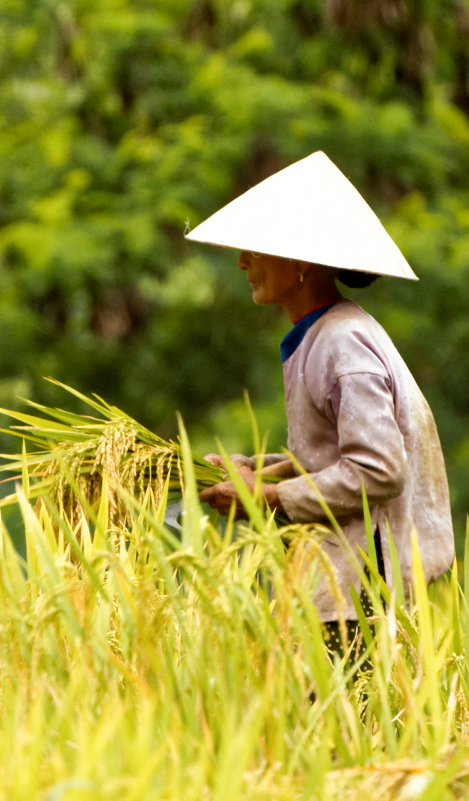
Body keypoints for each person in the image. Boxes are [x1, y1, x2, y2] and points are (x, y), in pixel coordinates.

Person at [185, 151, 454, 643]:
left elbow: (378, 469)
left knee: (349, 719)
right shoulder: (321, 336)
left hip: (362, 597)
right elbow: (328, 455)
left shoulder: (342, 342)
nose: (243, 262)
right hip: (338, 587)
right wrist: (251, 467)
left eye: (255, 248)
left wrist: (266, 498)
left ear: (302, 260)